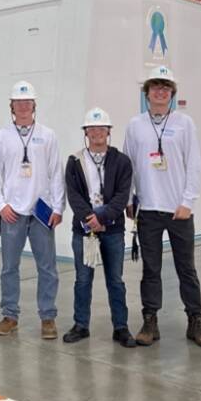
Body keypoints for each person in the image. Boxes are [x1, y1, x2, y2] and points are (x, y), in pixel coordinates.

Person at [123, 66, 201, 348]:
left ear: (172, 94)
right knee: (151, 269)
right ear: (147, 93)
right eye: (155, 87)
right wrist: (129, 199)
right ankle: (150, 320)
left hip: (178, 211)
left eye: (165, 87)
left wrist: (187, 202)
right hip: (148, 210)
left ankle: (195, 320)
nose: (160, 92)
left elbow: (195, 164)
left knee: (186, 268)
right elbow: (128, 165)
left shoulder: (184, 123)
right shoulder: (135, 125)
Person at [0, 80, 65, 339]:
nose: (22, 106)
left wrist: (58, 207)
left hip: (41, 213)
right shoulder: (2, 136)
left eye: (27, 101)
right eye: (18, 102)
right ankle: (10, 315)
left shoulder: (47, 135)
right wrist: (1, 206)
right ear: (12, 106)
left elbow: (56, 173)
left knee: (48, 267)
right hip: (13, 214)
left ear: (34, 105)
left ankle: (48, 317)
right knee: (9, 267)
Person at [62, 107, 136, 348]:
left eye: (101, 128)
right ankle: (81, 325)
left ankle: (121, 327)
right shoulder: (75, 161)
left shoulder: (122, 161)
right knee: (83, 280)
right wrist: (90, 219)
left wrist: (102, 218)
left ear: (108, 131)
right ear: (86, 132)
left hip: (113, 231)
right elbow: (73, 196)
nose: (96, 132)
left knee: (115, 280)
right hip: (84, 230)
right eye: (91, 128)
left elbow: (122, 195)